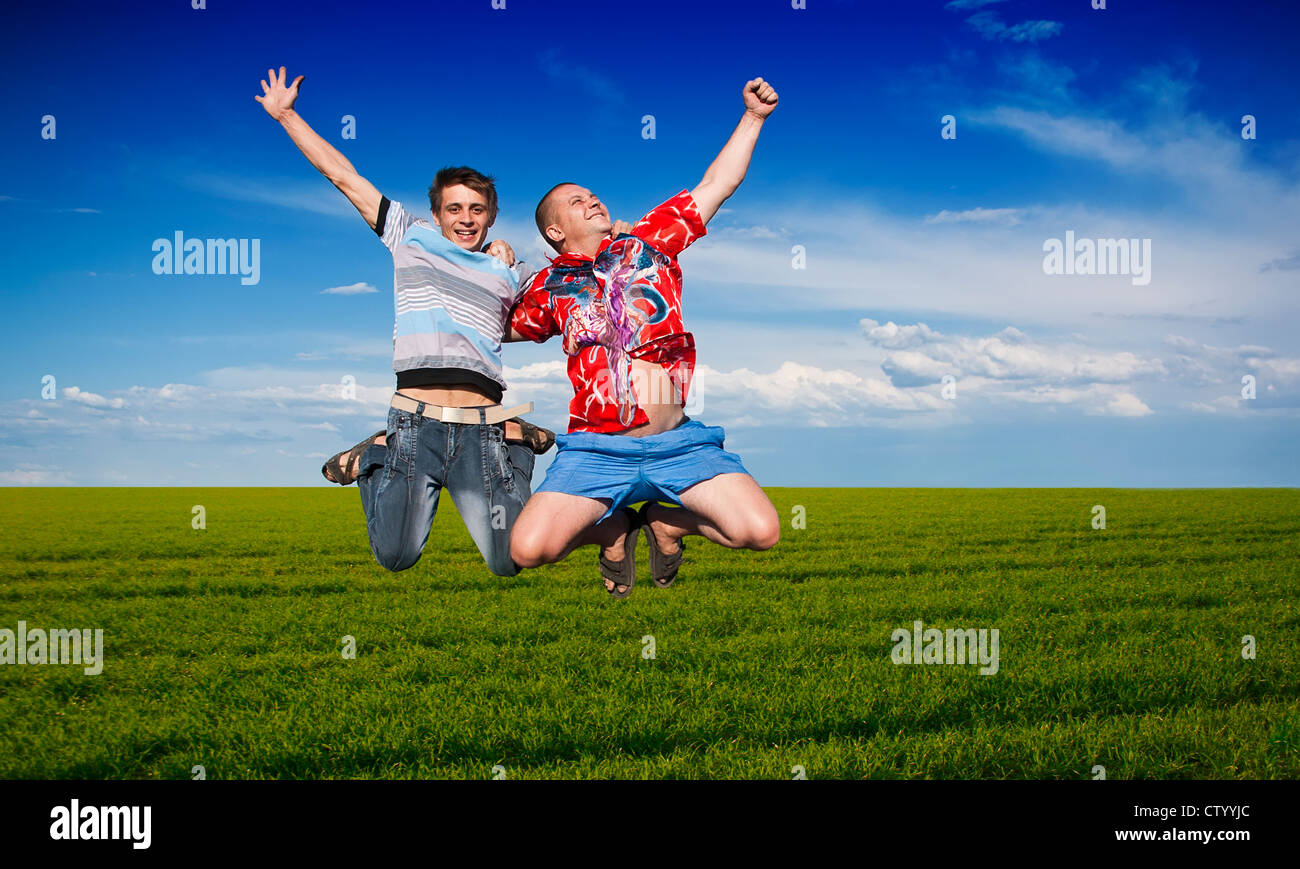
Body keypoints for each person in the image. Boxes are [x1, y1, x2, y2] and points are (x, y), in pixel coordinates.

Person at [256, 66, 551, 576]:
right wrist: (286, 116)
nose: (465, 218)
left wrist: (618, 239)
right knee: (396, 556)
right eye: (454, 208)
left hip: (485, 429)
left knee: (511, 561)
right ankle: (374, 455)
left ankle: (518, 440)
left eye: (477, 209)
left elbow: (572, 289)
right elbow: (344, 176)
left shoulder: (510, 268)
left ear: (492, 217)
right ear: (436, 215)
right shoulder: (409, 236)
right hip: (414, 425)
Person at [508, 78, 783, 597]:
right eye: (574, 201)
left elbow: (716, 184)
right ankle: (613, 530)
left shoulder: (647, 245)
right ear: (553, 231)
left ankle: (667, 522)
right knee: (528, 550)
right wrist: (495, 266)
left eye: (592, 194)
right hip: (596, 450)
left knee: (761, 531)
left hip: (677, 443)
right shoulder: (548, 288)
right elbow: (489, 325)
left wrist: (753, 118)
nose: (590, 200)